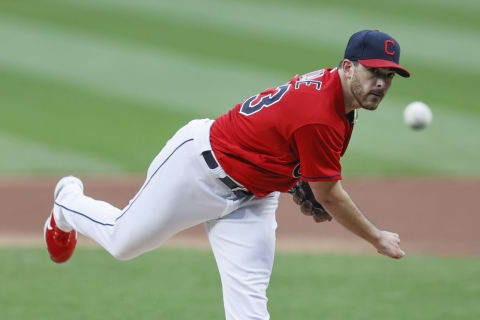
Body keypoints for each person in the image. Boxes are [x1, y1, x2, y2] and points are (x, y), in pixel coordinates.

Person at [44, 30, 409, 320]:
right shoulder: (321, 115)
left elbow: (285, 141)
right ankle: (66, 203)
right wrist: (375, 237)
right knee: (123, 241)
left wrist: (295, 178)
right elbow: (329, 194)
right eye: (373, 71)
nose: (381, 82)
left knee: (249, 310)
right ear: (347, 67)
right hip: (197, 170)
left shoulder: (338, 97)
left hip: (253, 198)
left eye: (388, 75)